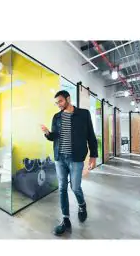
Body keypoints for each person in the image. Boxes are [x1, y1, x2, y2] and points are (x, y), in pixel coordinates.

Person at [41, 90, 98, 236]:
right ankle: (65, 220)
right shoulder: (57, 117)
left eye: (60, 101)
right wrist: (47, 133)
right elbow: (55, 136)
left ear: (68, 98)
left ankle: (82, 205)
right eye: (56, 103)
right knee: (62, 188)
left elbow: (91, 135)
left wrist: (93, 156)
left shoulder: (83, 114)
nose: (58, 105)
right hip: (60, 158)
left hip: (76, 158)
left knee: (75, 187)